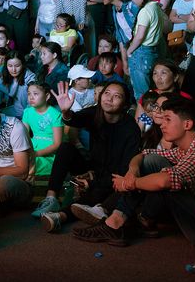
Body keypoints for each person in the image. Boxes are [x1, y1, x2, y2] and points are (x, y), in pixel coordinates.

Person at [73, 96, 195, 274]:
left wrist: (130, 183)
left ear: (187, 124)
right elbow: (144, 154)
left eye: (168, 119)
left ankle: (122, 220)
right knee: (152, 161)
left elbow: (166, 181)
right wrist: (132, 171)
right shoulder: (184, 148)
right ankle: (116, 221)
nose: (162, 124)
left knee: (163, 179)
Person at [35, 81, 139, 232]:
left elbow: (125, 169)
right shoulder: (95, 112)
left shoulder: (131, 128)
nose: (109, 98)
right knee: (65, 148)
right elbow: (74, 119)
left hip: (114, 177)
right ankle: (51, 198)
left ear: (125, 105)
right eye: (107, 93)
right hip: (92, 168)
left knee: (100, 191)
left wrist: (92, 181)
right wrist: (65, 112)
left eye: (117, 96)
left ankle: (61, 216)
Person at [125, 0, 166, 101]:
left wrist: (129, 50)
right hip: (153, 51)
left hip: (142, 53)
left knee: (142, 94)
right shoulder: (156, 6)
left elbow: (140, 36)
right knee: (150, 89)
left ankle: (143, 112)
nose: (132, 1)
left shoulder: (145, 11)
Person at [22, 82, 63, 182]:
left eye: (35, 94)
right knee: (17, 160)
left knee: (34, 164)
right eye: (29, 94)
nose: (31, 97)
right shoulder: (27, 112)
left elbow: (57, 144)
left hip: (49, 150)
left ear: (47, 96)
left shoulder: (55, 114)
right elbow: (24, 136)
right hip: (33, 145)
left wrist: (36, 154)